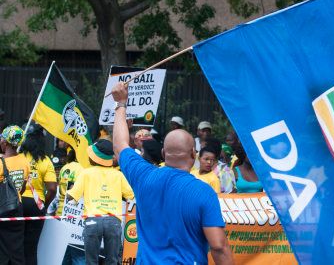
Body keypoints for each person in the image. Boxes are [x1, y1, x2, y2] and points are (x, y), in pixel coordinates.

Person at [111, 82, 233, 264]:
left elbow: (120, 146)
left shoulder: (143, 177)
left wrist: (121, 104)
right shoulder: (204, 192)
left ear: (163, 154)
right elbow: (219, 247)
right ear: (194, 154)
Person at [66, 139, 135, 265]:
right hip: (113, 222)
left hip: (92, 221)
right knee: (112, 261)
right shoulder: (118, 175)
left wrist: (70, 190)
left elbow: (71, 196)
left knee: (91, 261)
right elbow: (131, 195)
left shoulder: (85, 173)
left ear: (94, 157)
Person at [20, 123, 57, 265]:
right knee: (31, 248)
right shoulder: (46, 161)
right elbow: (52, 189)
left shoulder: (17, 157)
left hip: (17, 203)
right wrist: (44, 205)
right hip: (37, 205)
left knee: (15, 246)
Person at [0, 125, 30, 264]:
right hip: (17, 207)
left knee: (2, 252)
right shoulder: (25, 162)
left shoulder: (1, 163)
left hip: (2, 209)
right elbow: (22, 188)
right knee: (16, 249)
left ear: (5, 143)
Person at [55, 147, 86, 265]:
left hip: (61, 214)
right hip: (76, 217)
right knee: (79, 255)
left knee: (64, 254)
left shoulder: (64, 168)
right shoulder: (84, 170)